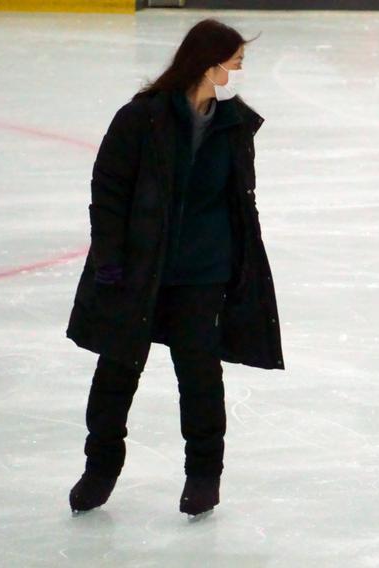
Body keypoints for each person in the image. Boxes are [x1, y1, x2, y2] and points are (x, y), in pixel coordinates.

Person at [65, 19, 284, 517]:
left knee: (201, 377)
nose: (240, 71)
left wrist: (238, 268)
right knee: (116, 374)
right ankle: (100, 469)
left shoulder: (234, 126)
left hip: (203, 274)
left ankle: (204, 476)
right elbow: (109, 191)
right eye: (236, 62)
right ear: (209, 65)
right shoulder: (142, 118)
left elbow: (238, 203)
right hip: (139, 271)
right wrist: (109, 260)